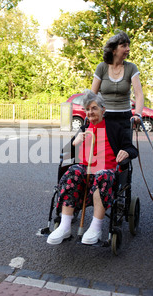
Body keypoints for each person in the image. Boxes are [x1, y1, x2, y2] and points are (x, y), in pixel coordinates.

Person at [47, 90, 138, 245]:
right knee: (72, 172)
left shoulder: (115, 127)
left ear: (103, 109)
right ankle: (65, 226)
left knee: (103, 175)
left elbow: (132, 150)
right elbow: (66, 153)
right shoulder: (84, 129)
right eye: (87, 109)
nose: (90, 112)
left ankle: (95, 227)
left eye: (94, 108)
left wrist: (125, 152)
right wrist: (75, 143)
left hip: (107, 169)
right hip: (85, 169)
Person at [91, 31, 144, 130]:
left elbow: (139, 94)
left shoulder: (131, 68)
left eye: (128, 46)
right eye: (124, 46)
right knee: (101, 145)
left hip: (124, 118)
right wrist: (91, 113)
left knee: (124, 146)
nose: (128, 49)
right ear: (113, 50)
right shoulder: (102, 67)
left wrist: (138, 114)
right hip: (103, 117)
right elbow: (92, 94)